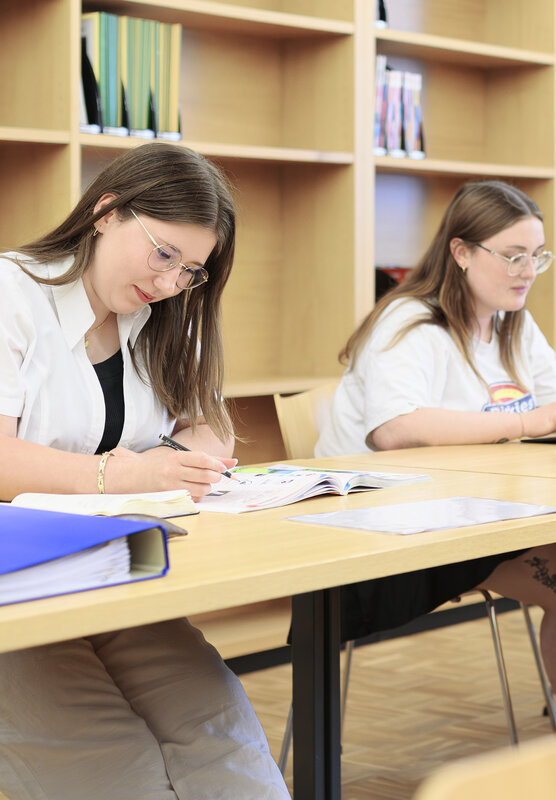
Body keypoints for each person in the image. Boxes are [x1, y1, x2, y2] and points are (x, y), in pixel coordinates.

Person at [316, 181, 556, 722]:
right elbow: (395, 428)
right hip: (385, 527)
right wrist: (526, 421)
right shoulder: (409, 322)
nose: (527, 271)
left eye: (537, 256)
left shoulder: (513, 323)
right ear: (460, 252)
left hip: (478, 511)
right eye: (512, 256)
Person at [0, 143, 289, 798]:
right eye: (163, 255)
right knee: (115, 767)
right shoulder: (11, 294)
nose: (168, 284)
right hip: (13, 587)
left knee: (227, 745)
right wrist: (121, 477)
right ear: (107, 212)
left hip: (110, 574)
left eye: (190, 271)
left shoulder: (161, 312)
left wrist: (196, 457)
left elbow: (202, 419)